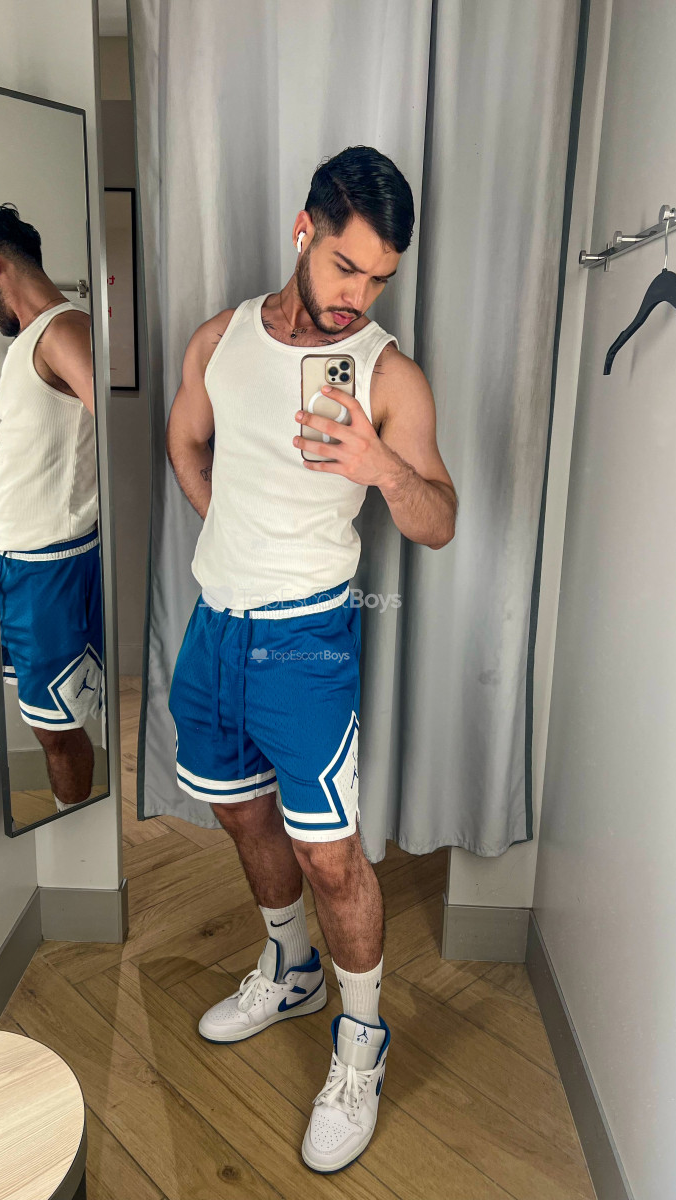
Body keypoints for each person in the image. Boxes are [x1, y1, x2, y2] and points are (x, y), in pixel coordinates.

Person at [165, 145, 457, 1172]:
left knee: (332, 856)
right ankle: (289, 968)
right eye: (344, 267)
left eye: (379, 278)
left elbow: (439, 521)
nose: (357, 298)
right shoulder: (220, 340)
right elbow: (186, 440)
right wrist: (227, 525)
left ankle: (361, 1044)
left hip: (307, 640)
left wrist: (381, 467)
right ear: (304, 231)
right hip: (215, 629)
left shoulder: (388, 374)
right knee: (240, 813)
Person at [0, 203, 103, 814]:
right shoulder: (32, 340)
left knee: (57, 727)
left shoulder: (63, 330)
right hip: (16, 559)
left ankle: (74, 840)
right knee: (38, 716)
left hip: (51, 565)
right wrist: (6, 449)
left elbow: (113, 429)